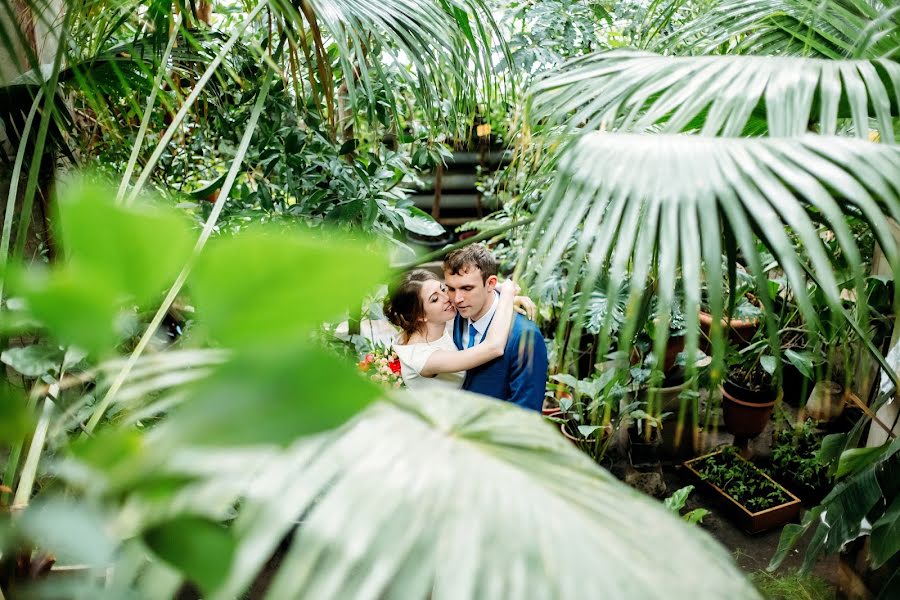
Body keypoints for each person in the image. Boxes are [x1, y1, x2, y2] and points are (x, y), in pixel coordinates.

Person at [444, 245, 549, 412]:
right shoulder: (460, 313)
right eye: (451, 288)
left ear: (491, 283)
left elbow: (526, 414)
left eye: (467, 288)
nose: (457, 299)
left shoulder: (525, 336)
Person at [384, 269, 521, 390]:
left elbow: (469, 290)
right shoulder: (422, 357)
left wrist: (496, 292)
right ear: (420, 315)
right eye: (435, 299)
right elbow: (494, 347)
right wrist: (507, 293)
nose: (448, 298)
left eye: (443, 289)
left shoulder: (423, 329)